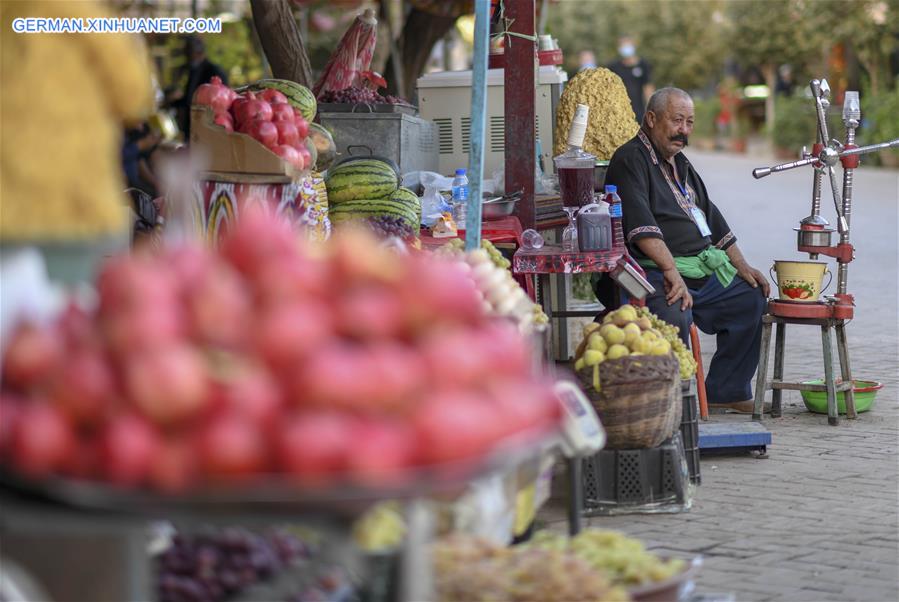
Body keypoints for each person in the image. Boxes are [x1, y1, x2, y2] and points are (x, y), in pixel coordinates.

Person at [604, 87, 770, 414]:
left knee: (750, 297)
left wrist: (742, 265)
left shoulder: (680, 162)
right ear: (651, 119)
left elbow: (711, 217)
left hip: (699, 271)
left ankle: (726, 389)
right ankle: (671, 402)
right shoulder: (629, 160)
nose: (684, 130)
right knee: (672, 312)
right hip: (652, 271)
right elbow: (641, 225)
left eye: (690, 122)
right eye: (677, 120)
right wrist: (670, 272)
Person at [167, 35, 228, 137]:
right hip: (192, 126)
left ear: (198, 52)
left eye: (189, 53)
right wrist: (173, 102)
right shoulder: (193, 71)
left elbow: (222, 101)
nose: (186, 58)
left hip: (208, 127)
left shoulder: (214, 71)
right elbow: (189, 98)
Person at [607, 35, 654, 123]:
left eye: (627, 45)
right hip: (620, 112)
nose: (625, 48)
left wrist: (651, 108)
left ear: (633, 45)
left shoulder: (643, 65)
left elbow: (647, 88)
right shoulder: (614, 67)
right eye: (622, 45)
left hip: (639, 112)